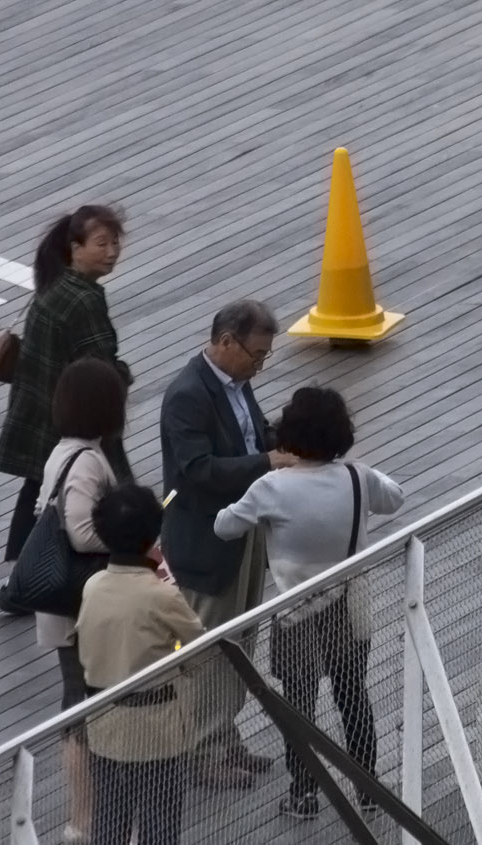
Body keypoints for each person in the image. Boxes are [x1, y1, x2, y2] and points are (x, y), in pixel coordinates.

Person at [215, 386, 403, 821]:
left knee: (298, 707)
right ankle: (370, 791)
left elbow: (225, 526)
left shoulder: (272, 488)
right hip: (349, 605)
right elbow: (395, 498)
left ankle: (303, 793)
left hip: (295, 610)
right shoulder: (358, 478)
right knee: (353, 696)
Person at [158, 300, 291, 790]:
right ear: (226, 342)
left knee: (237, 643)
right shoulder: (187, 396)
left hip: (242, 531)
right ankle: (200, 752)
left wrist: (286, 438)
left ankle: (224, 739)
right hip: (206, 541)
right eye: (256, 355)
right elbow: (197, 471)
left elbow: (251, 436)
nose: (260, 364)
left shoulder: (235, 382)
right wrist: (269, 462)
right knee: (209, 650)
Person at [0, 206, 132, 614]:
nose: (112, 252)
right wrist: (122, 374)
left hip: (39, 407)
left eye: (115, 242)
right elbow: (101, 364)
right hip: (75, 417)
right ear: (75, 248)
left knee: (38, 487)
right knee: (110, 489)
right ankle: (111, 569)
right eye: (101, 244)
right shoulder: (84, 301)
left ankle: (18, 580)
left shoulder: (55, 288)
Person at [76, 484, 205, 845]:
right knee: (159, 820)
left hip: (103, 719)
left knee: (110, 818)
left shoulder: (94, 585)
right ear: (153, 533)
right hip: (155, 727)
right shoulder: (161, 594)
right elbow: (199, 646)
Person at [33, 358, 128, 845]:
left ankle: (83, 820)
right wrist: (126, 538)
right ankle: (84, 820)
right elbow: (81, 530)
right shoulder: (88, 460)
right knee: (84, 709)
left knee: (77, 707)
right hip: (78, 607)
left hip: (61, 605)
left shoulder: (63, 452)